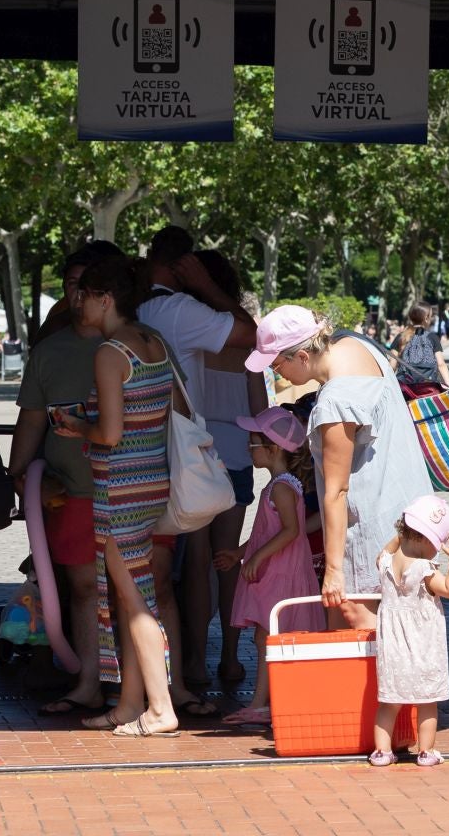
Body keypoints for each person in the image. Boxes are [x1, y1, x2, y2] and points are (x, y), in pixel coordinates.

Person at [50, 255, 180, 738]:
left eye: (84, 294)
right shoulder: (154, 343)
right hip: (151, 481)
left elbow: (108, 432)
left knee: (135, 600)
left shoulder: (111, 352)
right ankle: (130, 703)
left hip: (120, 488)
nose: (76, 302)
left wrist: (75, 425)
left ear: (106, 299)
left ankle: (161, 707)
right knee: (131, 597)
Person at [245, 306, 431, 630]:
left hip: (373, 534)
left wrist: (333, 570)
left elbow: (336, 491)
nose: (278, 376)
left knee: (361, 643)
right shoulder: (356, 344)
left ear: (302, 356)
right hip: (411, 517)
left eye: (277, 365)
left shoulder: (335, 400)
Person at [10, 242, 119, 716]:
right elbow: (31, 420)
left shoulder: (133, 343)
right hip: (70, 491)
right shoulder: (49, 351)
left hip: (129, 491)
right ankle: (89, 683)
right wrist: (18, 476)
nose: (79, 297)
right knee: (82, 589)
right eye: (72, 286)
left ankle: (145, 686)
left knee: (132, 588)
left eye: (87, 288)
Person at [180, 249, 265, 698]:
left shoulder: (184, 330)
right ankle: (230, 657)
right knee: (228, 560)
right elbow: (260, 406)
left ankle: (193, 658)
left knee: (196, 562)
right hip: (235, 457)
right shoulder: (243, 341)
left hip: (193, 457)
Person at [220, 406, 321, 728]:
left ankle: (262, 703)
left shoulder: (281, 486)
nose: (249, 450)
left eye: (253, 445)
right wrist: (240, 553)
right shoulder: (280, 484)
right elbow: (268, 530)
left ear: (273, 448)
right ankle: (267, 701)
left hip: (279, 574)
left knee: (268, 636)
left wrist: (258, 557)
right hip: (275, 572)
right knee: (267, 637)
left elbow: (291, 530)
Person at [371, 497, 449, 768]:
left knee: (389, 703)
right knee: (427, 702)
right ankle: (426, 752)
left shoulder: (386, 562)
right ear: (426, 539)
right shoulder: (424, 569)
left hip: (393, 650)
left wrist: (399, 535)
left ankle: (382, 751)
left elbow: (383, 551)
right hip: (422, 647)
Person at [391, 304, 449, 390]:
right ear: (426, 319)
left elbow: (392, 366)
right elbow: (441, 364)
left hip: (405, 388)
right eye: (431, 316)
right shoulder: (432, 337)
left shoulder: (401, 337)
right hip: (428, 387)